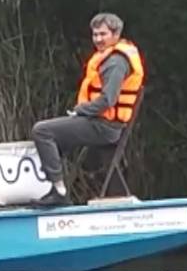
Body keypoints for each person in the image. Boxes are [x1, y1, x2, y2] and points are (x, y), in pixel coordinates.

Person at [28, 11, 146, 207]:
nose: (98, 39)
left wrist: (82, 111)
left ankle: (58, 192)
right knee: (57, 139)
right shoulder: (108, 57)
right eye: (95, 35)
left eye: (103, 34)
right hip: (100, 122)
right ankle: (55, 188)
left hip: (104, 126)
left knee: (42, 131)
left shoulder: (116, 62)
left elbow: (108, 99)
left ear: (116, 35)